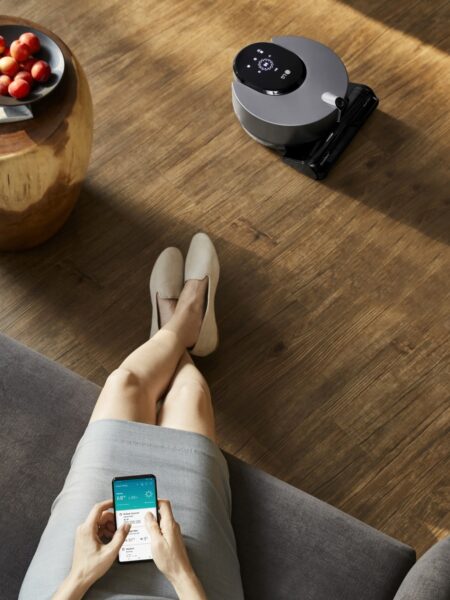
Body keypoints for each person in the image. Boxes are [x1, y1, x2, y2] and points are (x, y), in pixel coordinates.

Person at [19, 233, 245, 600]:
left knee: (123, 384)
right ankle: (185, 324)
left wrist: (78, 576)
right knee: (190, 397)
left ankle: (177, 325)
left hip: (68, 587)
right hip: (185, 589)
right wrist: (180, 571)